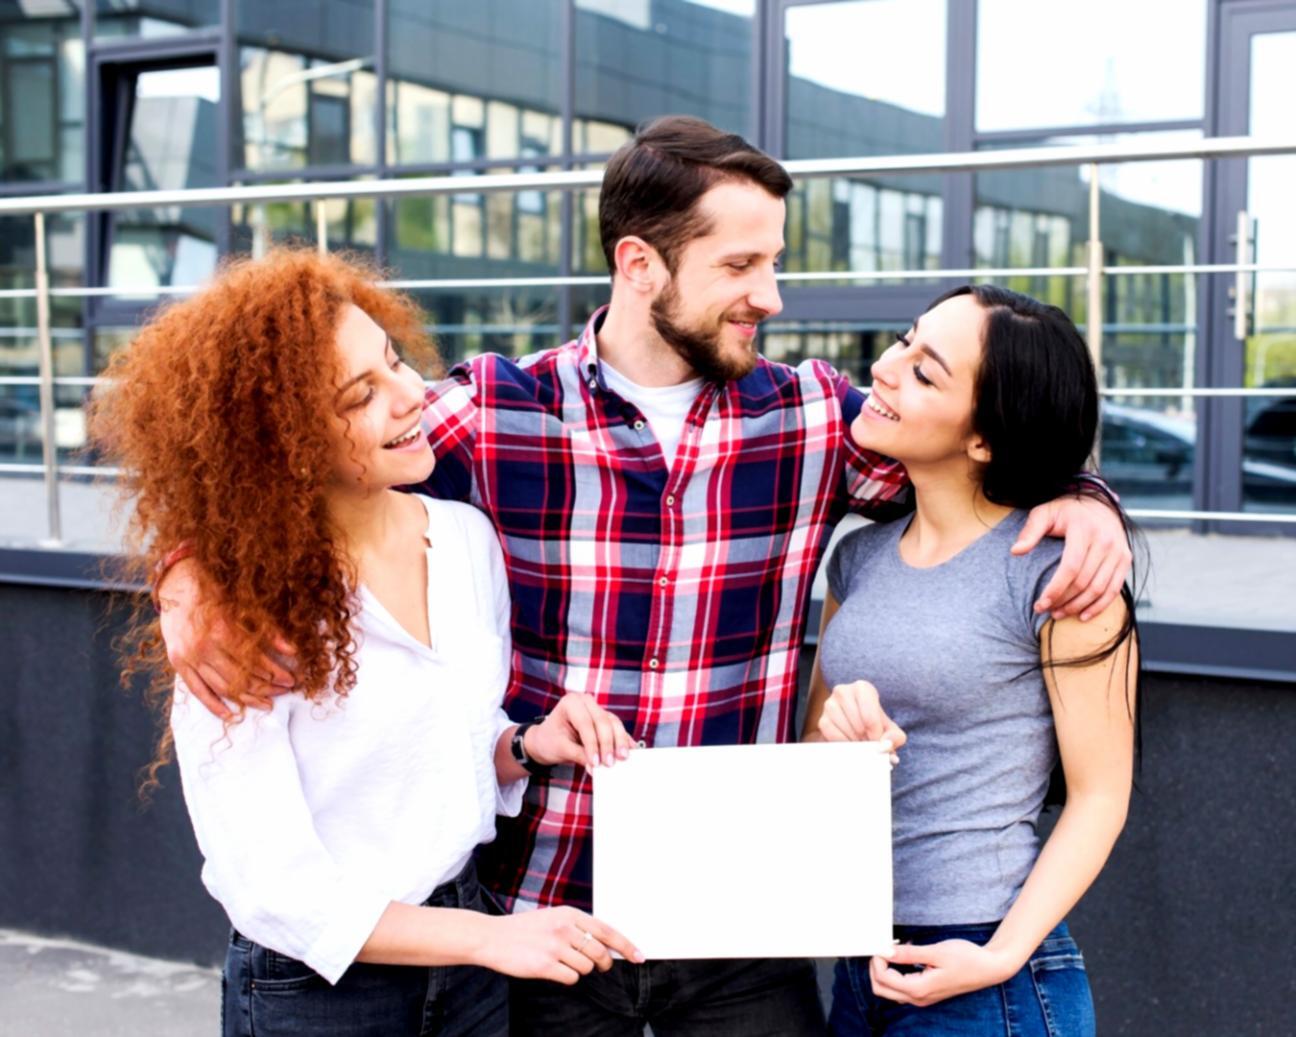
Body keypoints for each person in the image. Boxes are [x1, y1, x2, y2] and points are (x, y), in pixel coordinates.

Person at [155, 117, 1133, 1035]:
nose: (772, 296)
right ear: (639, 263)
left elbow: (984, 455)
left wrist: (1086, 498)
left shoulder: (815, 420)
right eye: (741, 265)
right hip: (544, 927)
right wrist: (185, 568)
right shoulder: (497, 410)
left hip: (741, 928)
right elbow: (283, 452)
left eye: (775, 262)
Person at [89, 250, 642, 1037]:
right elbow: (277, 890)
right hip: (321, 995)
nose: (413, 394)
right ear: (283, 442)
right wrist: (497, 937)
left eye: (395, 360)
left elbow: (437, 751)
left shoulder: (462, 540)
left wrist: (527, 744)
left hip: (470, 973)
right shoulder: (238, 615)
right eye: (362, 395)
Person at [803, 285, 1139, 1036]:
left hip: (988, 973)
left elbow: (1100, 797)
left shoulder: (1059, 571)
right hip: (863, 962)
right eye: (903, 340)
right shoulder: (858, 558)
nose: (885, 368)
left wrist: (1001, 954)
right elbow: (814, 757)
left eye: (926, 372)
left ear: (984, 437)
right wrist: (837, 733)